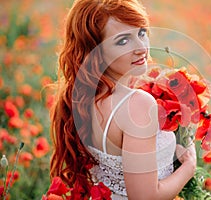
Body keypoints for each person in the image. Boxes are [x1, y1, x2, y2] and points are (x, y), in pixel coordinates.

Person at [49, 0, 196, 199]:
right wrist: (189, 166)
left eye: (142, 33)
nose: (142, 47)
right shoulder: (137, 104)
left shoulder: (83, 99)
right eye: (123, 41)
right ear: (95, 50)